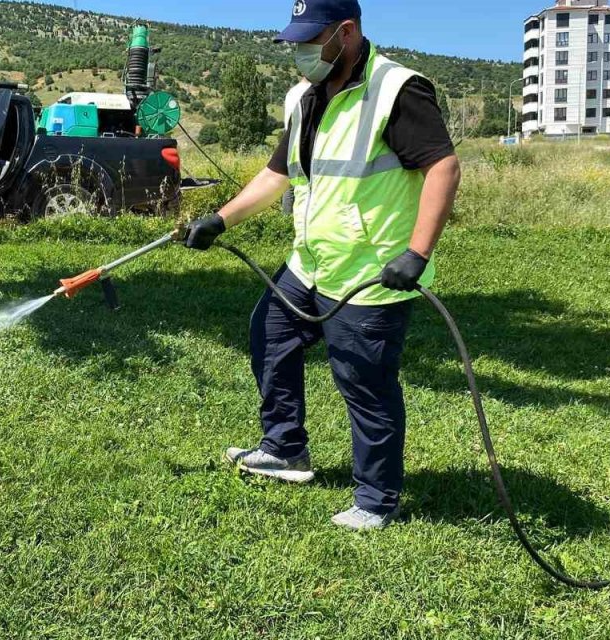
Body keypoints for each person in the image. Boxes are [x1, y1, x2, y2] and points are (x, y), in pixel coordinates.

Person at [182, 0, 462, 531]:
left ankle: (378, 499)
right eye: (296, 41)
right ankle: (285, 450)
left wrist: (417, 253)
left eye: (312, 40)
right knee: (270, 334)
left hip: (371, 272)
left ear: (347, 32)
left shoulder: (397, 90)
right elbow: (276, 176)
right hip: (309, 263)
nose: (302, 52)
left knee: (363, 381)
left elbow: (443, 168)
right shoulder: (304, 98)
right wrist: (220, 219)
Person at [281, 79, 311, 215]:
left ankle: (285, 220)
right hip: (305, 144)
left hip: (291, 143)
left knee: (289, 185)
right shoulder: (311, 90)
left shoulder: (292, 92)